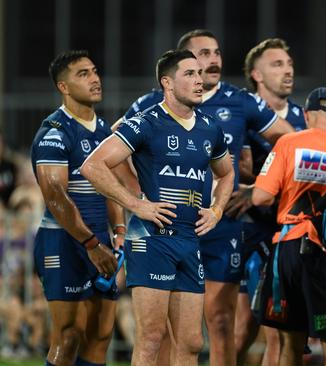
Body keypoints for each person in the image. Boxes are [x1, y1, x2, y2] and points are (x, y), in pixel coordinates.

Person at [120, 29, 294, 366]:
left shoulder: (233, 106)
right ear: (176, 72)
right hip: (161, 229)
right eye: (201, 56)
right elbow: (108, 150)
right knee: (158, 334)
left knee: (213, 324)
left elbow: (288, 143)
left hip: (216, 227)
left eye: (215, 54)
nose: (211, 61)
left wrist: (255, 188)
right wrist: (136, 195)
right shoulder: (149, 107)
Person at [80, 49, 235, 366]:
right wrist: (137, 205)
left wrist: (217, 210)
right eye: (189, 74)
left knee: (192, 342)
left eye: (200, 73)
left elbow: (228, 172)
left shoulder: (209, 128)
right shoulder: (147, 122)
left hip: (189, 239)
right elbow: (93, 165)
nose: (199, 80)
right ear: (167, 82)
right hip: (152, 240)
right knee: (151, 337)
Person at [252, 87, 326, 365]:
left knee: (290, 342)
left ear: (306, 114)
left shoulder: (288, 143)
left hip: (290, 248)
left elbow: (260, 197)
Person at [30, 50, 120, 366]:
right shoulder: (55, 131)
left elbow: (111, 189)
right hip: (64, 241)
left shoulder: (105, 131)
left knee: (101, 334)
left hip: (100, 242)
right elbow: (55, 195)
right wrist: (91, 243)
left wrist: (118, 232)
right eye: (83, 74)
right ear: (64, 87)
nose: (95, 78)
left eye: (95, 71)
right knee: (68, 335)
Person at [233, 37, 308, 366]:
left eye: (289, 64)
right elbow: (239, 171)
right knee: (240, 331)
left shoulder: (301, 117)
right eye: (277, 64)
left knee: (280, 329)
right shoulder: (241, 113)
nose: (288, 70)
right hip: (249, 230)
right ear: (256, 74)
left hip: (288, 230)